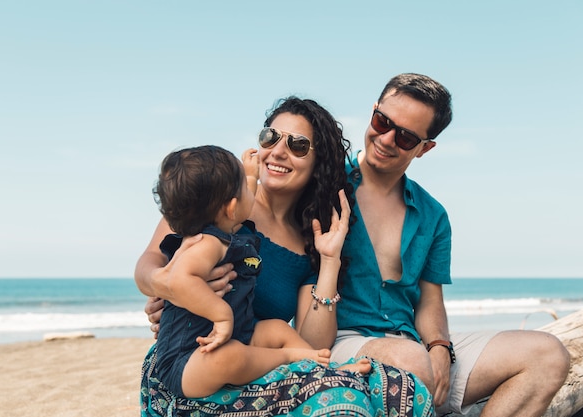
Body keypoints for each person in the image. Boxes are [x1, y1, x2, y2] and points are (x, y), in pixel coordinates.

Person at [135, 97, 435, 416]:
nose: (278, 151)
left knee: (401, 389)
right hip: (197, 365)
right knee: (341, 399)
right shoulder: (215, 198)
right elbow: (146, 268)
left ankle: (337, 372)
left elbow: (309, 341)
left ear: (317, 163)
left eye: (298, 145)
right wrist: (168, 285)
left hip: (259, 359)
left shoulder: (309, 238)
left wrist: (329, 260)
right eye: (270, 137)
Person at [328, 72, 570, 416]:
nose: (386, 139)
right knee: (411, 359)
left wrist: (440, 347)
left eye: (406, 137)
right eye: (382, 122)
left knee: (548, 354)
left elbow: (430, 301)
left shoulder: (433, 215)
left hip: (411, 343)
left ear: (426, 148)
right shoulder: (327, 190)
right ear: (373, 112)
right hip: (344, 342)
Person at [150, 144, 340, 399]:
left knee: (278, 329)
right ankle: (288, 357)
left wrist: (249, 176)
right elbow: (179, 279)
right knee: (229, 357)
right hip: (186, 359)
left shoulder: (225, 228)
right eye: (245, 187)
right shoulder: (206, 243)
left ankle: (320, 372)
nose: (253, 192)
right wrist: (221, 315)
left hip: (239, 334)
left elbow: (240, 203)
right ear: (231, 207)